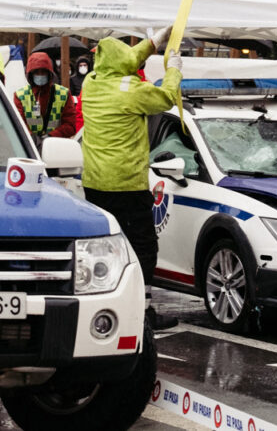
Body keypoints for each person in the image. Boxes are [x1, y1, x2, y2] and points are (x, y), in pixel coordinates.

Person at [81, 27, 183, 330]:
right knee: (143, 247)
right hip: (127, 183)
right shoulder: (132, 91)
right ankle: (143, 311)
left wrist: (153, 44)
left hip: (95, 183)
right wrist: (173, 71)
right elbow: (166, 98)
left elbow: (123, 59)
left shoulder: (91, 83)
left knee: (108, 246)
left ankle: (107, 303)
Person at [12, 51, 78, 144]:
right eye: (36, 72)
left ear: (49, 73)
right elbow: (18, 124)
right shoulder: (20, 95)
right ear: (31, 74)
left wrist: (51, 136)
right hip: (30, 146)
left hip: (56, 146)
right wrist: (32, 138)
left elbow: (71, 126)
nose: (40, 75)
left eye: (43, 72)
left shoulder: (63, 94)